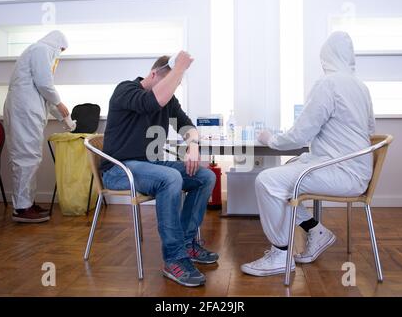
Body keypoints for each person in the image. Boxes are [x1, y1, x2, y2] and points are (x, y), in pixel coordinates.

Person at [241, 32, 375, 276]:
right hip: (357, 171)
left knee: (267, 181)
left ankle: (281, 253)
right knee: (284, 175)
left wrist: (269, 139)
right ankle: (315, 230)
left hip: (343, 173)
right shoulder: (361, 87)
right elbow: (370, 129)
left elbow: (300, 135)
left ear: (326, 57)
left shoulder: (328, 83)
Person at [101, 51, 218, 287]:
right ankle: (174, 259)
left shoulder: (168, 99)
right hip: (119, 170)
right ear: (153, 74)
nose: (172, 90)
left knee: (204, 176)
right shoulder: (126, 90)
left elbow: (187, 125)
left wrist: (193, 145)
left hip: (149, 165)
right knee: (170, 178)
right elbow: (153, 102)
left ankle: (186, 244)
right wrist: (179, 70)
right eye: (169, 83)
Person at [3, 31, 70, 223]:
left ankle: (27, 203)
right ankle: (22, 208)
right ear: (57, 44)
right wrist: (60, 104)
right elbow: (45, 85)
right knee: (26, 157)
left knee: (30, 157)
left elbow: (44, 93)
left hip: (25, 109)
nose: (60, 54)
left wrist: (65, 118)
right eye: (62, 50)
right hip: (23, 110)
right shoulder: (41, 49)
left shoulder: (37, 52)